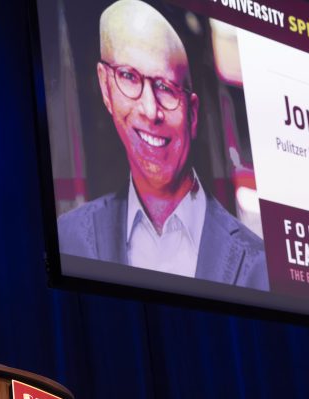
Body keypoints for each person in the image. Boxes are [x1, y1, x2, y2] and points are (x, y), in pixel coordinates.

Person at [58, 0, 269, 290]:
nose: (150, 109)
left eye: (165, 87)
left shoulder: (259, 263)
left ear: (192, 114)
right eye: (129, 77)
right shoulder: (70, 238)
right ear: (106, 87)